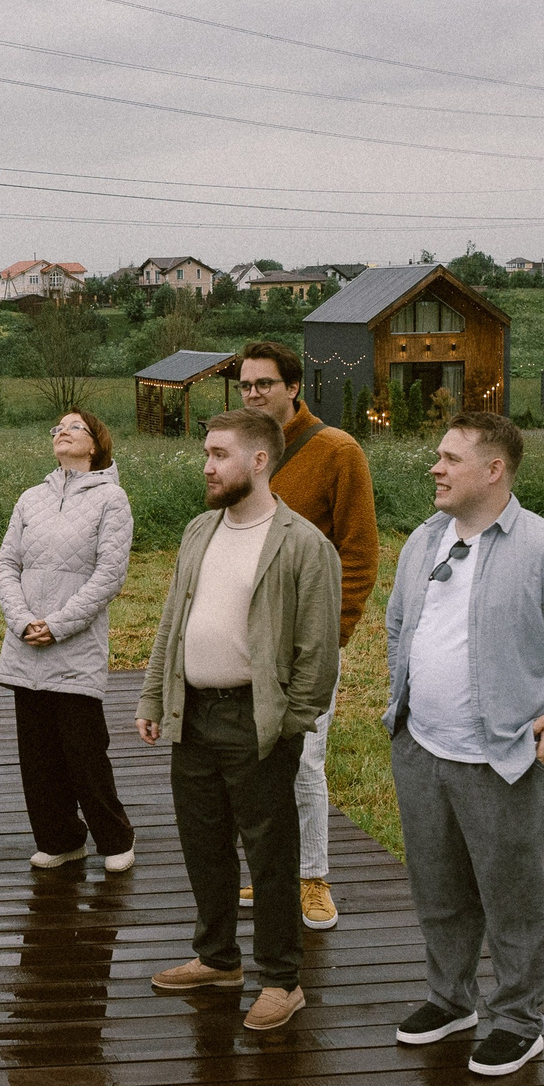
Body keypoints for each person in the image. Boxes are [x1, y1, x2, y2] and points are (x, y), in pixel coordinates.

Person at [386, 413, 544, 1077]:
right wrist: (400, 705)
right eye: (437, 455)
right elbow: (399, 621)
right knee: (438, 887)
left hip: (505, 760)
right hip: (422, 749)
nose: (435, 467)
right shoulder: (423, 540)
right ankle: (450, 999)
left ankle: (519, 1021)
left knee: (516, 894)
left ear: (494, 470)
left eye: (451, 458)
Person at [134, 408, 340, 1032]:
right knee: (204, 847)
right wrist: (152, 698)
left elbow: (318, 651)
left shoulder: (303, 544)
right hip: (193, 715)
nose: (207, 465)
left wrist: (289, 724)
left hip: (258, 721)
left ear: (259, 461)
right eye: (207, 453)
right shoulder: (200, 531)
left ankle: (282, 980)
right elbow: (173, 621)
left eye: (219, 454)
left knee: (271, 856)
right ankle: (217, 958)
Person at [234, 340, 378, 930]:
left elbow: (360, 552)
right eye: (244, 386)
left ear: (294, 387)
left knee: (305, 760)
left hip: (306, 640)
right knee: (255, 759)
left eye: (263, 384)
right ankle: (270, 872)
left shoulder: (338, 451)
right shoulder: (243, 452)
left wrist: (332, 634)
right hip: (244, 637)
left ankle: (312, 878)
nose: (253, 394)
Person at [0, 409, 137, 872]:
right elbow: (6, 565)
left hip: (74, 644)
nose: (61, 431)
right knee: (36, 754)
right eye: (56, 426)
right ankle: (60, 839)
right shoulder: (30, 498)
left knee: (84, 751)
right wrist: (22, 620)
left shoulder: (111, 500)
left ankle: (114, 840)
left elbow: (109, 575)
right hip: (25, 644)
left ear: (95, 443)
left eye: (73, 426)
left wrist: (57, 624)